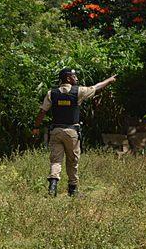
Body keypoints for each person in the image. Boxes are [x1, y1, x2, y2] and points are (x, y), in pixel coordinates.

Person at [32, 68, 116, 197]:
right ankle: (73, 190)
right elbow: (96, 87)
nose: (76, 78)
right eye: (74, 76)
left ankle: (52, 187)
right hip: (72, 132)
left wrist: (36, 127)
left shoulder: (51, 93)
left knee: (56, 160)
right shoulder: (79, 92)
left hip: (56, 131)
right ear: (67, 78)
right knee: (72, 161)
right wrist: (109, 80)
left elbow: (42, 112)